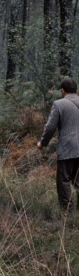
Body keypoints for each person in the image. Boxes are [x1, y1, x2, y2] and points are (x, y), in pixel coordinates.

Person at [37, 78, 79, 212]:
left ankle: (68, 212)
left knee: (64, 180)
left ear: (62, 90)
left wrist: (43, 142)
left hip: (68, 148)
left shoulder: (59, 104)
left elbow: (50, 127)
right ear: (76, 90)